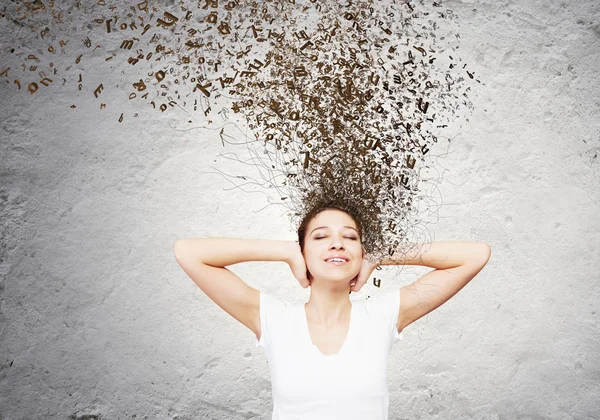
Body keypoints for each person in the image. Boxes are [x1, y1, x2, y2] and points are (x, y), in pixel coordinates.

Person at [173, 203, 491, 420]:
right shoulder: (273, 318)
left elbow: (475, 255)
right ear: (303, 252)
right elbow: (187, 252)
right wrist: (284, 251)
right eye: (321, 236)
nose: (337, 244)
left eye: (350, 237)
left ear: (361, 254)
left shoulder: (383, 315)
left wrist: (382, 255)